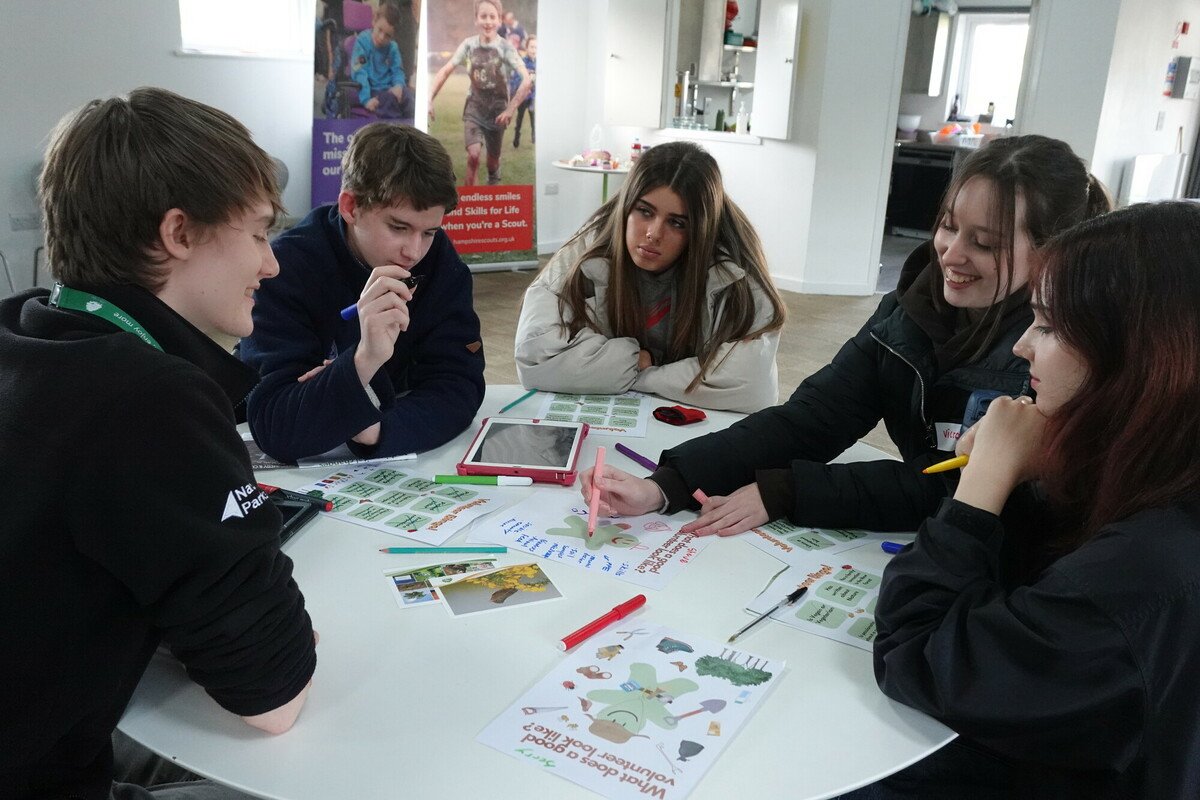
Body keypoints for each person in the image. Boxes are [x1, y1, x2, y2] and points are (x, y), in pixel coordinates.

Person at [0, 87, 317, 798]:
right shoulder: (145, 396)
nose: (271, 266)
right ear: (179, 233)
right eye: (261, 233)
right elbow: (274, 695)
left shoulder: (22, 329)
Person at [580, 135, 1111, 534]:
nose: (950, 253)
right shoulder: (908, 310)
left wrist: (789, 490)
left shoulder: (1055, 358)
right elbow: (814, 417)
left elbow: (958, 486)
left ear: (1050, 252)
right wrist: (667, 486)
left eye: (985, 243)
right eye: (948, 226)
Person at [850, 201, 1200, 799]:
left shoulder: (1142, 569)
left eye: (1047, 325)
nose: (1021, 347)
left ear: (1136, 355)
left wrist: (983, 485)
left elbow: (916, 655)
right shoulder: (1158, 473)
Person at [240, 122, 485, 463]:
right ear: (350, 207)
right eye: (398, 228)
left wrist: (376, 427)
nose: (413, 252)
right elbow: (276, 427)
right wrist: (363, 361)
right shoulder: (284, 268)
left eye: (429, 232)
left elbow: (460, 385)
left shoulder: (441, 261)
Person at [515, 140, 787, 413]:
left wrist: (640, 373)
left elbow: (752, 387)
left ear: (700, 230)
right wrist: (636, 361)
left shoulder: (734, 266)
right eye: (644, 211)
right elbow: (534, 357)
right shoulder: (591, 245)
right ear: (627, 206)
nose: (653, 233)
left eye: (677, 223)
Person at [429, 0, 532, 185]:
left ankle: (493, 182)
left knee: (492, 163)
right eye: (483, 16)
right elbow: (445, 71)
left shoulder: (506, 48)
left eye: (492, 17)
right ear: (476, 20)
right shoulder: (468, 45)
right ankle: (470, 204)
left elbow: (526, 80)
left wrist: (510, 110)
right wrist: (429, 99)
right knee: (473, 156)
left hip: (498, 113)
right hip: (474, 109)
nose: (488, 21)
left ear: (499, 21)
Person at [349, 1, 414, 119]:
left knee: (409, 98)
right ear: (374, 21)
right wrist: (366, 99)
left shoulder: (392, 48)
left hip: (389, 89)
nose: (381, 37)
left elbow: (397, 70)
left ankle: (412, 130)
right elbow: (359, 72)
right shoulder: (362, 43)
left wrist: (398, 85)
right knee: (389, 103)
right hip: (372, 91)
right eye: (379, 30)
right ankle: (396, 131)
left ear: (393, 36)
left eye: (388, 35)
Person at [511, 34, 536, 148]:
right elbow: (516, 78)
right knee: (519, 118)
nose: (534, 50)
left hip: (533, 98)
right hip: (524, 97)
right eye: (531, 47)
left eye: (536, 47)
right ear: (526, 48)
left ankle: (535, 138)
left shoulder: (539, 63)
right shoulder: (522, 62)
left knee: (534, 118)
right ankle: (516, 139)